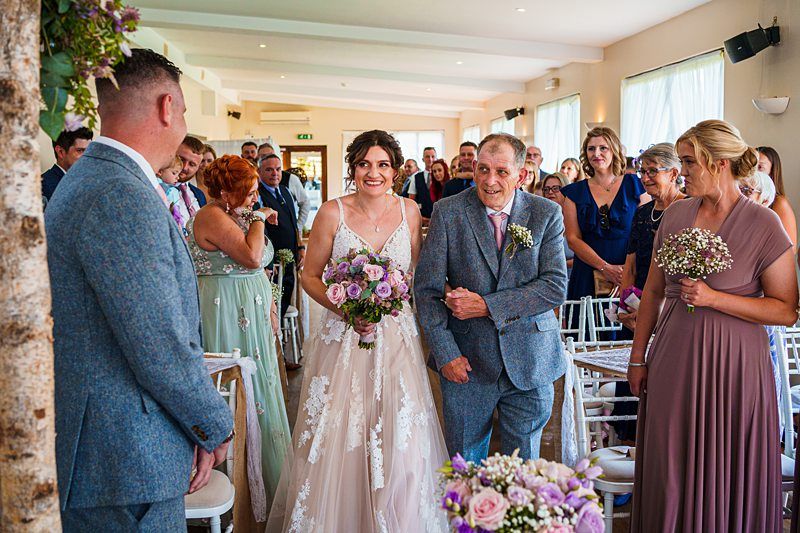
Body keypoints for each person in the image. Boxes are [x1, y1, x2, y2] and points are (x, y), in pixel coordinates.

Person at [44, 48, 233, 532]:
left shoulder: (98, 177)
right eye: (186, 110)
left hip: (114, 450)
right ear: (167, 106)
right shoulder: (119, 192)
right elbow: (158, 340)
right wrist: (213, 424)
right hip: (123, 458)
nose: (183, 120)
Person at [266, 130, 448, 532]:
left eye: (382, 165)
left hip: (397, 337)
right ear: (353, 169)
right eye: (365, 164)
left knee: (401, 434)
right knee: (344, 431)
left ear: (395, 171)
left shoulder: (410, 212)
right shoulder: (333, 212)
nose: (373, 172)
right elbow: (310, 276)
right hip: (345, 340)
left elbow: (416, 277)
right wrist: (346, 308)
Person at [629, 120, 798, 532]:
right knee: (670, 460)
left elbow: (786, 310)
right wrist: (637, 358)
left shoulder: (763, 224)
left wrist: (713, 298)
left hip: (736, 364)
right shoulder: (676, 215)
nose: (681, 170)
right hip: (672, 355)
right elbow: (651, 292)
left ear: (719, 162)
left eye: (689, 162)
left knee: (729, 460)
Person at [416, 133, 568, 463]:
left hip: (530, 360)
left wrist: (486, 306)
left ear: (522, 175)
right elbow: (426, 291)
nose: (490, 181)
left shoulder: (546, 213)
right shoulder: (449, 212)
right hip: (466, 363)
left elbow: (555, 286)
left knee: (523, 470)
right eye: (482, 170)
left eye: (501, 171)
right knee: (464, 468)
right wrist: (445, 354)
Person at [188, 155, 291, 515]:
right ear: (225, 193)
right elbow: (251, 256)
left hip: (251, 314)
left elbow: (257, 270)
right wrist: (259, 218)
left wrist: (271, 306)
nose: (254, 196)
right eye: (248, 192)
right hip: (226, 314)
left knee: (261, 387)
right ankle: (236, 486)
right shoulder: (212, 216)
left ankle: (266, 479)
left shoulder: (233, 213)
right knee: (239, 391)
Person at [561, 127, 649, 308]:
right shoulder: (574, 193)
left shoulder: (635, 185)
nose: (596, 153)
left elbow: (646, 233)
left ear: (614, 150)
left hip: (630, 269)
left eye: (603, 148)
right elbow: (573, 239)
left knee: (628, 328)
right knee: (588, 330)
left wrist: (627, 271)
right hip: (587, 271)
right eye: (591, 149)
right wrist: (605, 268)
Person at [620, 142, 685, 332]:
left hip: (673, 303)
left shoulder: (688, 208)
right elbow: (630, 266)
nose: (645, 178)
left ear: (673, 174)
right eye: (643, 172)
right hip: (639, 300)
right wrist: (626, 305)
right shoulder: (641, 213)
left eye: (653, 171)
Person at [256, 155, 303, 322]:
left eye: (277, 169)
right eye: (269, 169)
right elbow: (259, 230)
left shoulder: (285, 191)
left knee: (287, 291)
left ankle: (281, 334)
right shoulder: (257, 195)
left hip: (290, 254)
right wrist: (266, 261)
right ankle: (275, 336)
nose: (274, 173)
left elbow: (293, 222)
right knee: (272, 300)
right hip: (272, 259)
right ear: (259, 171)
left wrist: (300, 247)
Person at [257, 143, 311, 229]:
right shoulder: (256, 191)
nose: (274, 173)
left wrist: (298, 227)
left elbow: (305, 202)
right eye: (263, 156)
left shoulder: (287, 186)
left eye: (278, 169)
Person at [757, 146, 796, 250]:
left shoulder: (779, 203)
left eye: (760, 168)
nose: (753, 173)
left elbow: (791, 249)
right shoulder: (745, 200)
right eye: (751, 167)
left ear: (772, 171)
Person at [42, 126, 93, 203]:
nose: (87, 156)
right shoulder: (42, 186)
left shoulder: (90, 181)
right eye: (80, 150)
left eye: (89, 150)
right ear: (60, 152)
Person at [541, 172, 574, 277]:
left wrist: (559, 265)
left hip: (572, 278)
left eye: (555, 188)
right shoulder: (540, 220)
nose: (550, 192)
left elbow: (585, 258)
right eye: (546, 189)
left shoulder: (576, 218)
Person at [174, 136, 207, 226]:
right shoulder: (157, 188)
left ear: (198, 167)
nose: (184, 167)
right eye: (181, 159)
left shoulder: (199, 194)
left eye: (192, 164)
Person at [157, 155, 185, 228]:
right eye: (174, 173)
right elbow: (176, 214)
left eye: (178, 174)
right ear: (160, 171)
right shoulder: (171, 190)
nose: (177, 177)